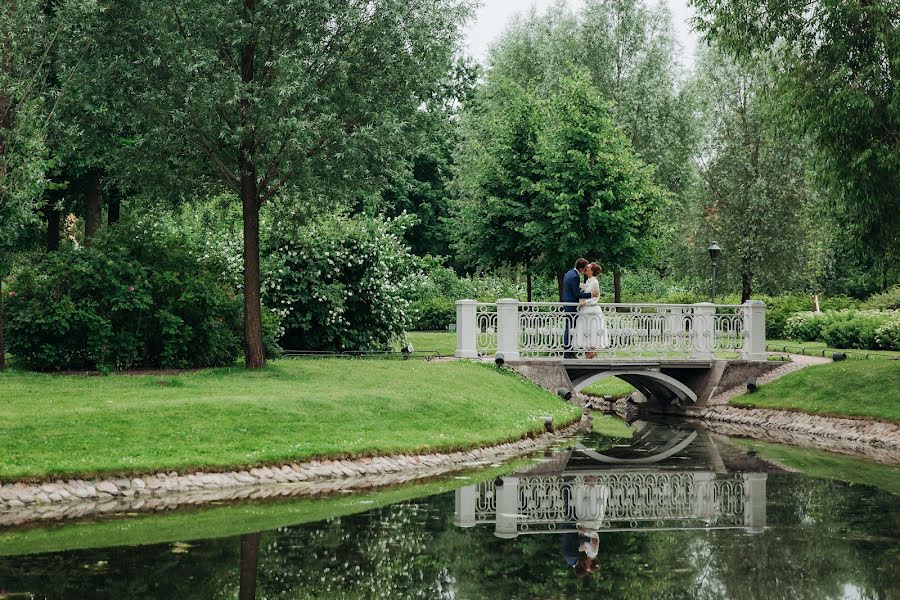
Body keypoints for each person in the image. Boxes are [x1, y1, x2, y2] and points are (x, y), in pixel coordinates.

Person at [560, 258, 597, 358]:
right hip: (572, 306)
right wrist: (590, 295)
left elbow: (574, 289)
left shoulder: (569, 273)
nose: (585, 270)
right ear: (581, 268)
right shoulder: (575, 276)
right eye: (585, 268)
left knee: (570, 329)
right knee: (570, 329)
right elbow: (576, 294)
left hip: (568, 304)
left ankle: (569, 352)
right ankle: (568, 353)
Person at [575, 263, 609, 358]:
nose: (586, 268)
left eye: (588, 267)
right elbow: (586, 289)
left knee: (593, 330)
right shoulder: (589, 281)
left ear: (592, 271)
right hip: (586, 310)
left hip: (592, 310)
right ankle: (589, 352)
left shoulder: (595, 282)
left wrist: (585, 302)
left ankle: (592, 351)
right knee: (587, 330)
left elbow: (596, 297)